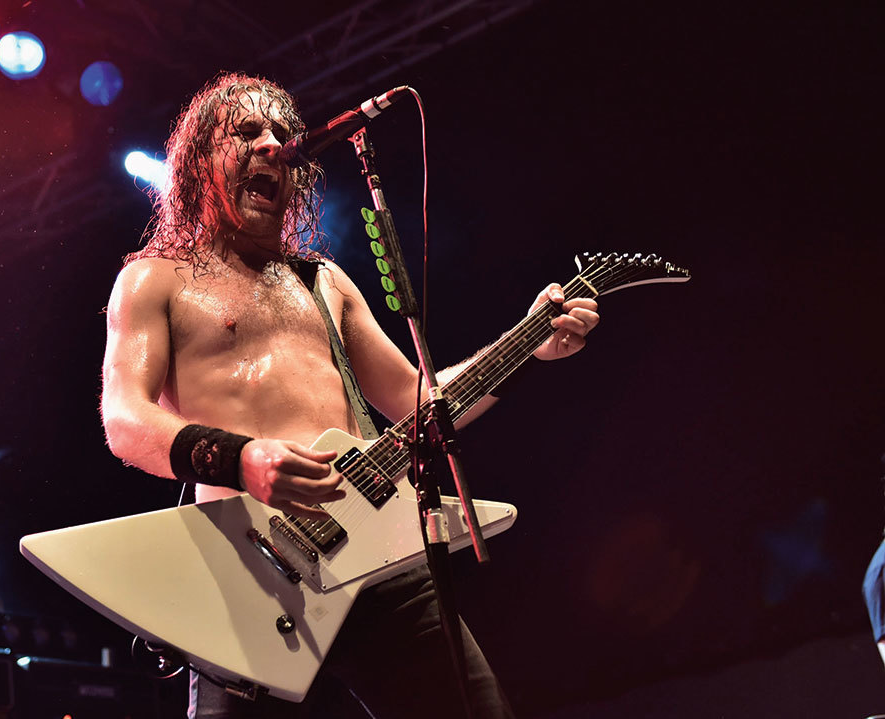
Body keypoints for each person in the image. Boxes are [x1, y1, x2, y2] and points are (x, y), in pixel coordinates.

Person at [99, 72, 600, 718]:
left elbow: (421, 404)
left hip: (377, 557)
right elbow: (125, 419)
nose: (272, 145)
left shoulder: (324, 282)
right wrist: (241, 458)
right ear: (198, 164)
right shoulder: (153, 279)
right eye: (246, 132)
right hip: (249, 572)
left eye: (283, 134)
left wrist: (527, 346)